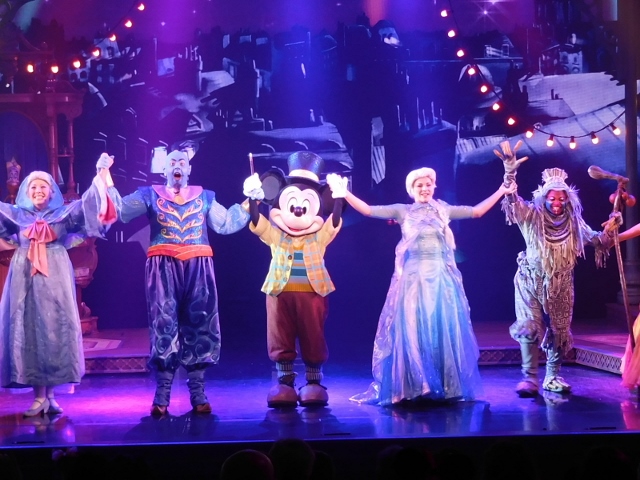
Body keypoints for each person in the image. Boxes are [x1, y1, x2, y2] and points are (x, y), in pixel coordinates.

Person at [338, 167, 514, 406]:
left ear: (434, 186)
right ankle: (415, 386)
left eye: (428, 185)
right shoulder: (403, 211)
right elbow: (369, 210)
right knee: (413, 328)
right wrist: (345, 194)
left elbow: (477, 211)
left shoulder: (444, 210)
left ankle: (447, 386)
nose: (424, 189)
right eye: (419, 185)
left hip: (441, 278)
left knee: (441, 327)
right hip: (413, 279)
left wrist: (502, 190)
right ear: (411, 189)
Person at [115, 149, 249, 416]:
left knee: (200, 324)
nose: (177, 166)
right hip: (162, 265)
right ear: (164, 170)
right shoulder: (149, 194)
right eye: (172, 162)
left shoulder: (205, 196)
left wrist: (250, 201)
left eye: (182, 162)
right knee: (163, 324)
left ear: (189, 169)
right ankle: (162, 395)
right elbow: (121, 210)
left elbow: (224, 223)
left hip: (199, 264)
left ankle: (198, 394)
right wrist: (105, 180)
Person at [0, 155, 116, 416]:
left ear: (52, 191)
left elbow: (89, 204)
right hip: (25, 276)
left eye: (43, 186)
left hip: (56, 275)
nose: (38, 191)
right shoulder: (16, 215)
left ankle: (50, 396)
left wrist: (101, 174)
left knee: (55, 329)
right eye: (33, 187)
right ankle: (38, 396)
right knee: (29, 328)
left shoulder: (63, 214)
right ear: (26, 192)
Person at [495, 141, 613, 397]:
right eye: (552, 198)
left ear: (568, 199)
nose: (557, 202)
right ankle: (529, 378)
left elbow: (598, 241)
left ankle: (552, 376)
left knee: (559, 331)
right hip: (530, 279)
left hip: (561, 282)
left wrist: (612, 227)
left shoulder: (574, 222)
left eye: (561, 198)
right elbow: (512, 202)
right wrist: (510, 173)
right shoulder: (531, 215)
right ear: (544, 198)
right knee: (528, 327)